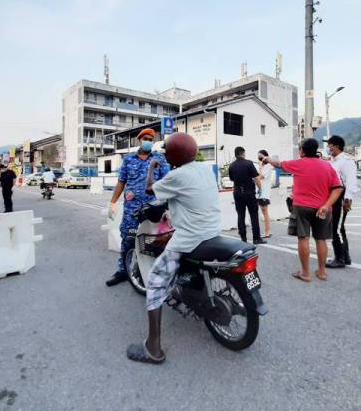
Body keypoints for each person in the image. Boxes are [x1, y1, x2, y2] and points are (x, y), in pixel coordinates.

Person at [126, 133, 221, 364]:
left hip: (190, 238)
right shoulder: (204, 169)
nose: (164, 153)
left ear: (175, 154)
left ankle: (153, 348)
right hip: (211, 232)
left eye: (167, 150)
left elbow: (150, 189)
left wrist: (152, 167)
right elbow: (185, 195)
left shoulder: (176, 175)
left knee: (155, 283)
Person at [264, 138, 343, 282]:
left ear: (302, 151)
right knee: (321, 239)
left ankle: (305, 273)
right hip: (323, 209)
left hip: (302, 207)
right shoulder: (327, 166)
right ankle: (321, 272)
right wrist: (326, 205)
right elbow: (338, 188)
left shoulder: (298, 164)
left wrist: (266, 158)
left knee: (303, 238)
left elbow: (278, 163)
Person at [106, 129, 169, 287]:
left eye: (151, 139)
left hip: (153, 208)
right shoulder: (128, 160)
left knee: (152, 240)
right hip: (132, 208)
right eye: (145, 138)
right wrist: (112, 203)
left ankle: (145, 271)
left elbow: (167, 181)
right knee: (128, 238)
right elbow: (121, 182)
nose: (148, 141)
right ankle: (122, 270)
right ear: (139, 140)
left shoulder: (159, 158)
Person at [325, 135, 358, 268]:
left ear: (337, 146)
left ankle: (340, 259)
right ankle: (345, 257)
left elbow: (351, 181)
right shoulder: (333, 161)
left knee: (336, 229)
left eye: (330, 145)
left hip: (341, 196)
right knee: (339, 228)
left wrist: (347, 199)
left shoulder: (346, 161)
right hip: (334, 195)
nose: (328, 148)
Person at [228, 147, 265, 245]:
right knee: (253, 215)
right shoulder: (249, 163)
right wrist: (260, 189)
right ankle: (256, 238)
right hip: (249, 193)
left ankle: (243, 238)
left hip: (237, 193)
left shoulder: (231, 166)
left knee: (241, 215)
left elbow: (232, 179)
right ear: (243, 153)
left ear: (235, 154)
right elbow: (256, 178)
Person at [256, 149, 273, 238]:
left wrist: (260, 166)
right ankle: (267, 231)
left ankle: (267, 232)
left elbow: (260, 177)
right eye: (258, 157)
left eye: (261, 157)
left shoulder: (268, 166)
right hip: (260, 193)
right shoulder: (263, 166)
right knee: (264, 212)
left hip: (264, 193)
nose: (260, 159)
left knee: (265, 212)